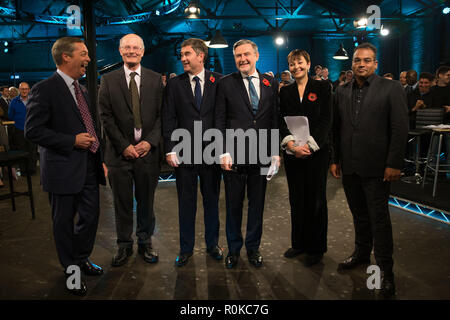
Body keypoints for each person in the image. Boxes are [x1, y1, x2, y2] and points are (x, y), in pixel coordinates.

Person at [24, 37, 107, 296]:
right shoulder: (44, 89)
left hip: (89, 168)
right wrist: (71, 141)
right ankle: (71, 271)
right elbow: (33, 131)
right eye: (83, 54)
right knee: (63, 223)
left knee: (90, 218)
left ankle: (81, 258)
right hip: (62, 171)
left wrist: (100, 158)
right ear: (65, 57)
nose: (89, 60)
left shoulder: (81, 90)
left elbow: (89, 126)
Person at [330, 42, 408, 296]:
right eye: (356, 60)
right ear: (351, 63)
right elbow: (337, 128)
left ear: (375, 64)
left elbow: (399, 128)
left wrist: (394, 163)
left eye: (366, 60)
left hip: (378, 167)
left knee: (379, 220)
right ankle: (361, 255)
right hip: (350, 167)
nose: (361, 64)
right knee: (359, 216)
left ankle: (386, 271)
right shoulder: (341, 91)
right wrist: (335, 159)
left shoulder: (392, 88)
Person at [98, 33, 163, 267]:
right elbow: (105, 117)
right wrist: (123, 145)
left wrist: (150, 142)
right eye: (127, 47)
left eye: (136, 47)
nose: (132, 51)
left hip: (147, 154)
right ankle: (124, 245)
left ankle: (145, 243)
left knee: (146, 202)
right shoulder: (108, 80)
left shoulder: (156, 80)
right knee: (122, 203)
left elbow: (161, 116)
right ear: (120, 51)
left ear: (143, 51)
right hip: (119, 155)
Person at [215, 39, 279, 269]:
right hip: (234, 157)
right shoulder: (225, 83)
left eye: (246, 54)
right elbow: (219, 119)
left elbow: (273, 119)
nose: (242, 59)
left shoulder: (271, 82)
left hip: (261, 155)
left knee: (257, 205)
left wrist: (275, 153)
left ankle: (253, 248)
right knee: (233, 206)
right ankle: (233, 250)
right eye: (238, 55)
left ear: (256, 55)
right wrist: (222, 151)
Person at [162, 38, 223, 267]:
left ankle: (212, 244)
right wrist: (170, 149)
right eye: (181, 54)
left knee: (212, 202)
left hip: (212, 153)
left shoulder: (218, 81)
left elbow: (221, 116)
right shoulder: (174, 84)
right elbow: (169, 117)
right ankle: (185, 249)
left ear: (201, 55)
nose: (183, 58)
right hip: (184, 153)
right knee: (186, 203)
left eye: (187, 54)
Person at [279, 49, 332, 266]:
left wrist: (309, 146)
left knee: (316, 200)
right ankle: (299, 243)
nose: (296, 67)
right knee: (297, 198)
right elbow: (280, 120)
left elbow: (327, 119)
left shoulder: (323, 88)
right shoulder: (285, 92)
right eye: (292, 64)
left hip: (316, 153)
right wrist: (291, 145)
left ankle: (316, 247)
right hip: (293, 154)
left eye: (300, 63)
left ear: (309, 64)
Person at [9, 82, 38, 175]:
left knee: (32, 150)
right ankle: (23, 170)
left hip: (32, 129)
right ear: (19, 90)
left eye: (26, 89)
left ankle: (32, 170)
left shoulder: (34, 100)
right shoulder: (14, 101)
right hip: (19, 129)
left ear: (29, 90)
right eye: (22, 89)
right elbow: (10, 116)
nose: (24, 91)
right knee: (21, 150)